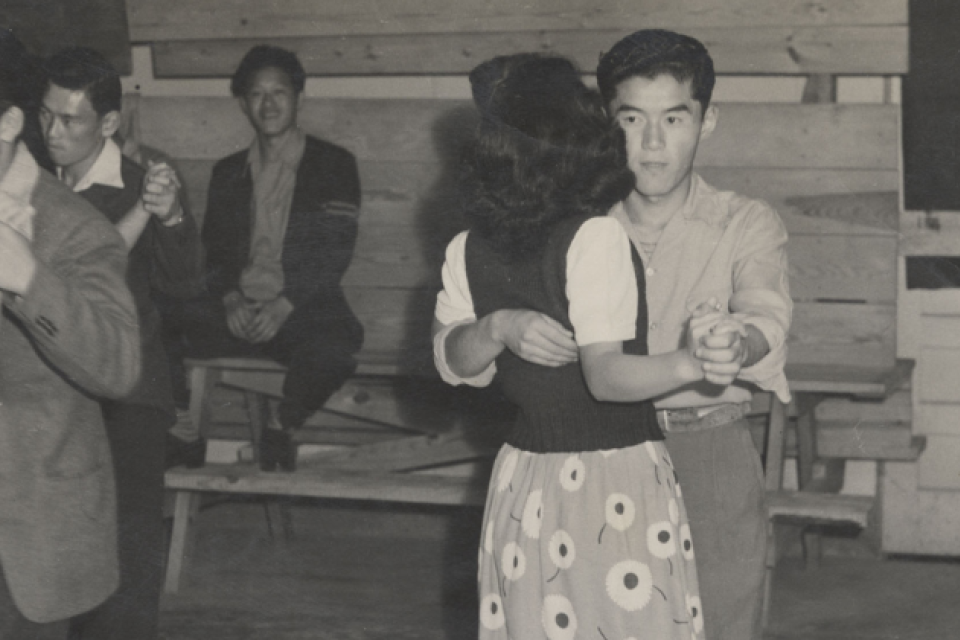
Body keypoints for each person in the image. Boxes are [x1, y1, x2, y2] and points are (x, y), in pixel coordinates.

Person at [435, 30, 792, 640]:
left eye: (675, 118)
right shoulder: (567, 223)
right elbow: (460, 346)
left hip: (706, 450)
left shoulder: (744, 221)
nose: (653, 142)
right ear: (606, 122)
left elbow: (765, 318)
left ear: (706, 122)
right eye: (633, 118)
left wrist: (733, 342)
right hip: (588, 463)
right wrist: (499, 327)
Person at [38, 46, 202, 640]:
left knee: (127, 556)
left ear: (109, 123)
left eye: (70, 119)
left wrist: (174, 218)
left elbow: (185, 288)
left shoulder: (147, 188)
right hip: (51, 396)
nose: (53, 131)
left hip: (129, 396)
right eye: (46, 115)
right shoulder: (26, 183)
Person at [0, 28, 141, 639]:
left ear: (6, 122)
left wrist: (28, 277)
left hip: (29, 540)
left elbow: (118, 366)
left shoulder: (77, 229)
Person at [162, 44, 363, 471]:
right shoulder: (228, 172)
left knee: (340, 343)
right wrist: (231, 297)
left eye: (280, 92)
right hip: (236, 312)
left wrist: (285, 303)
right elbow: (212, 253)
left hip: (300, 309)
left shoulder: (333, 165)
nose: (269, 104)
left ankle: (279, 425)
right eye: (257, 94)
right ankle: (184, 430)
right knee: (157, 316)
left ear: (299, 98)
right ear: (243, 104)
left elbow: (335, 250)